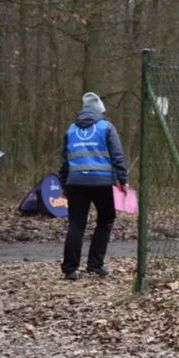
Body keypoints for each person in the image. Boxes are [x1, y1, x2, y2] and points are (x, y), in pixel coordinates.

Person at [58, 92, 128, 280]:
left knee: (76, 224)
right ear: (100, 111)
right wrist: (124, 180)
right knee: (105, 220)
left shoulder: (71, 130)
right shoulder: (107, 128)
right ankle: (95, 264)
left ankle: (70, 269)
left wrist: (63, 183)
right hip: (102, 183)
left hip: (75, 183)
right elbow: (117, 156)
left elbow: (64, 161)